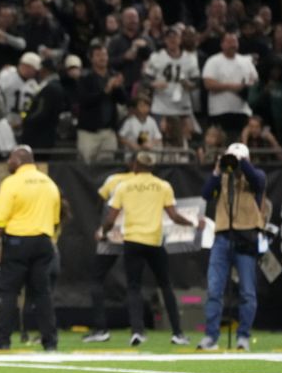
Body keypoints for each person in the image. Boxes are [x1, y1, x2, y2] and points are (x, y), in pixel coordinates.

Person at [98, 152, 203, 346]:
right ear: (153, 167)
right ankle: (177, 333)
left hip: (132, 241)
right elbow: (174, 216)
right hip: (154, 241)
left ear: (136, 165)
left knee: (134, 287)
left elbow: (111, 219)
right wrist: (195, 223)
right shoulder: (163, 186)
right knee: (165, 285)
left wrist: (103, 233)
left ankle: (137, 331)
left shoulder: (124, 186)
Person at [0, 145, 62, 351]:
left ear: (19, 160)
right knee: (42, 293)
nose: (8, 163)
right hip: (43, 241)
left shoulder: (12, 183)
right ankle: (50, 342)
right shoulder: (49, 183)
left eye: (10, 159)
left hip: (18, 242)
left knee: (9, 292)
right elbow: (56, 219)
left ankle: (3, 340)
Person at [199, 142, 267, 351]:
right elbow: (206, 193)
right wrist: (218, 170)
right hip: (222, 238)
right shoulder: (222, 178)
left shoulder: (257, 175)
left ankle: (243, 337)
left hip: (246, 237)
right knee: (214, 289)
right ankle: (211, 336)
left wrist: (242, 164)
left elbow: (257, 183)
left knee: (247, 291)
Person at [83, 157, 136, 343]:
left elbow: (100, 202)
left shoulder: (114, 180)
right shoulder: (146, 182)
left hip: (112, 234)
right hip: (137, 235)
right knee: (135, 283)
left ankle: (101, 329)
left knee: (96, 279)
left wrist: (103, 226)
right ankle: (138, 330)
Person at [202, 32, 258, 139]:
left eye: (235, 42)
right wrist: (233, 87)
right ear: (222, 44)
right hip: (219, 111)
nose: (233, 45)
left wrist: (246, 87)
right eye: (229, 42)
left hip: (242, 111)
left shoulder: (246, 61)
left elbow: (254, 80)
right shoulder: (213, 61)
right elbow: (208, 84)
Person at [77, 43, 127, 163]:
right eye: (98, 55)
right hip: (89, 132)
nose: (102, 58)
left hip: (108, 131)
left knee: (107, 166)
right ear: (91, 58)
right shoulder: (85, 77)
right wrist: (106, 91)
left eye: (104, 54)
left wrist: (118, 87)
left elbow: (124, 100)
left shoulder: (113, 75)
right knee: (86, 165)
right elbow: (84, 101)